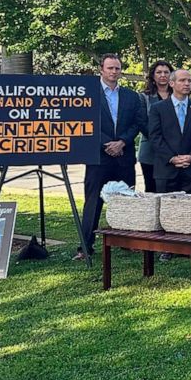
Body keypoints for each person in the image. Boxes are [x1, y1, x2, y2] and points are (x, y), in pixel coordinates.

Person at [78, 53, 146, 261]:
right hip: (99, 156)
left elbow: (137, 123)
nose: (114, 72)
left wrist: (122, 142)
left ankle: (127, 242)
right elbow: (84, 122)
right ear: (101, 69)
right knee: (93, 201)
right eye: (110, 68)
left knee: (126, 199)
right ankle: (85, 246)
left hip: (123, 155)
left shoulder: (131, 96)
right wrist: (106, 143)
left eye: (117, 68)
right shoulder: (88, 94)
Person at [148, 69, 191, 195]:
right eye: (182, 80)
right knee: (166, 212)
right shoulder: (158, 108)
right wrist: (172, 158)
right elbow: (155, 136)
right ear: (171, 83)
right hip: (166, 170)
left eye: (189, 81)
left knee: (188, 212)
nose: (187, 84)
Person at [138, 60, 173, 193]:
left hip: (174, 150)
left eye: (166, 72)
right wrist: (159, 140)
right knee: (152, 189)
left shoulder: (178, 96)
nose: (163, 75)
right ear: (153, 75)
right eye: (159, 72)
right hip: (150, 151)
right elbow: (142, 122)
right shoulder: (144, 97)